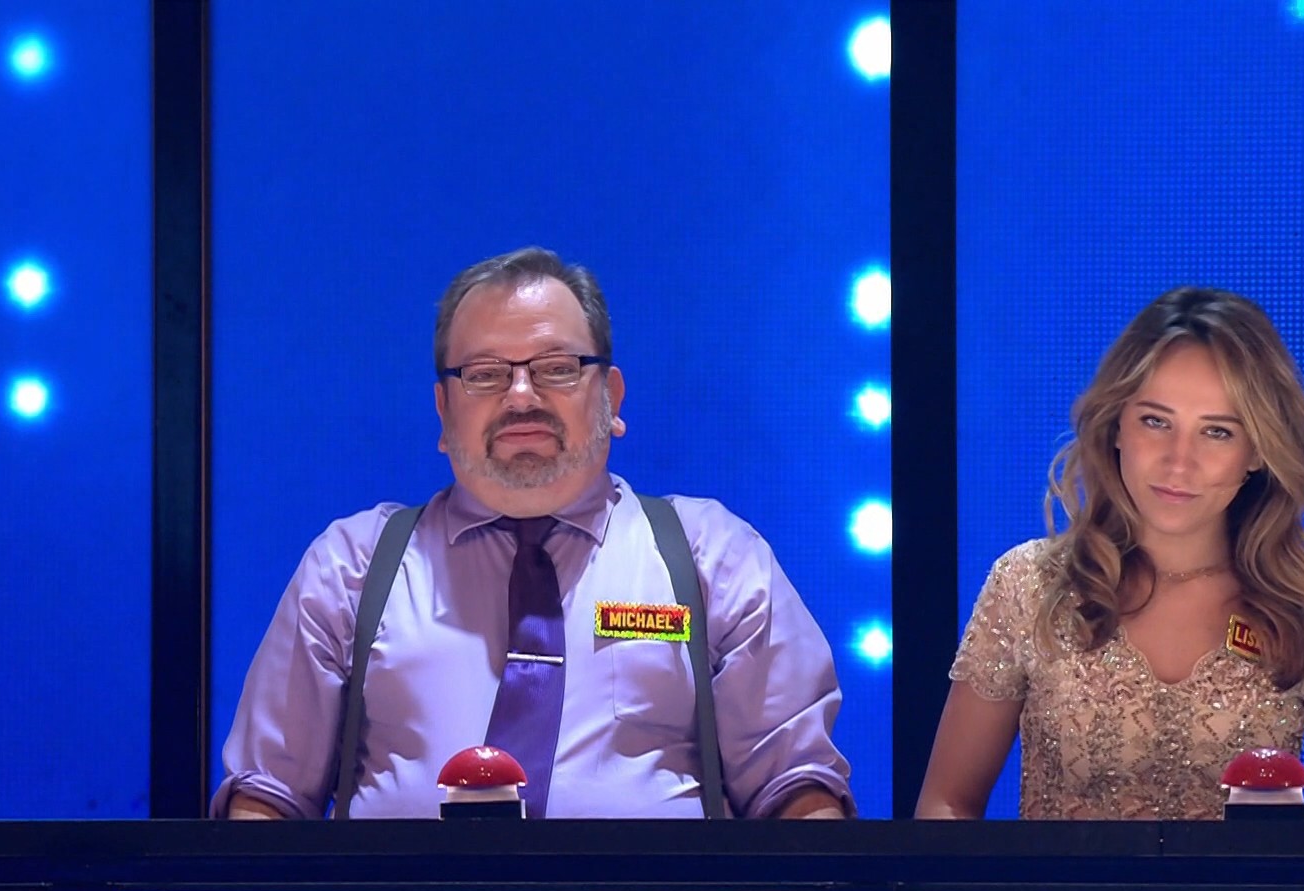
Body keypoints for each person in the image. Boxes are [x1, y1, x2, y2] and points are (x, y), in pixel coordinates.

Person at [214, 246, 852, 820]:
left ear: (612, 398)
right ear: (443, 412)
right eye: (485, 374)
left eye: (556, 368)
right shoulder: (351, 569)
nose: (521, 396)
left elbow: (797, 793)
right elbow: (267, 800)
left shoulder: (714, 558)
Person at [916, 287, 1304, 821]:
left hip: (1246, 884)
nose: (1179, 462)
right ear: (1116, 426)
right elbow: (947, 804)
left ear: (1256, 452)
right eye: (1156, 421)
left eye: (1217, 432)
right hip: (1061, 883)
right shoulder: (1029, 585)